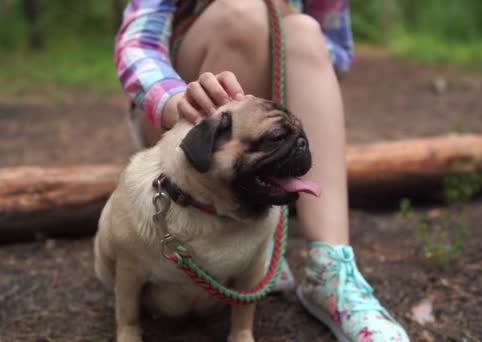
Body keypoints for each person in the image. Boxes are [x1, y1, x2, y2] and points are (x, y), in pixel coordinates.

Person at [114, 0, 409, 341]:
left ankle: (330, 268)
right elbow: (136, 45)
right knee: (240, 11)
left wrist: (282, 18)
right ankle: (236, 234)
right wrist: (179, 101)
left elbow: (338, 56)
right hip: (182, 119)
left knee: (305, 30)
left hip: (261, 123)